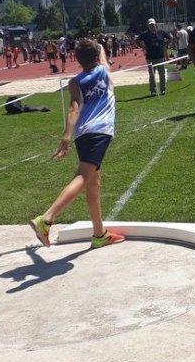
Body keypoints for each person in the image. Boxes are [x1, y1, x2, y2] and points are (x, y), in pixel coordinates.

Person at [29, 39, 124, 250]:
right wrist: (97, 45)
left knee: (93, 182)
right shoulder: (104, 71)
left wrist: (66, 137)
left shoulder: (74, 82)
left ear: (77, 59)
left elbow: (73, 110)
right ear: (98, 55)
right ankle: (46, 219)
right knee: (82, 178)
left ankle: (99, 234)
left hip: (82, 134)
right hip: (100, 131)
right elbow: (101, 53)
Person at [136, 18, 170, 96]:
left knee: (162, 74)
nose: (152, 26)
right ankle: (153, 90)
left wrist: (166, 44)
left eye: (153, 25)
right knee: (152, 75)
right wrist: (142, 47)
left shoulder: (161, 32)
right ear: (148, 26)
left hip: (160, 57)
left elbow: (169, 37)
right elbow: (137, 40)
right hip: (150, 58)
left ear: (155, 25)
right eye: (150, 25)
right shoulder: (144, 34)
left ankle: (163, 89)